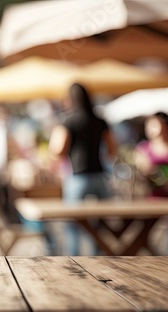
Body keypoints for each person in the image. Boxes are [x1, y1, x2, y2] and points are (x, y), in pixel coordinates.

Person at [48, 83, 117, 256]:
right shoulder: (100, 120)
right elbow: (112, 149)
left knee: (73, 224)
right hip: (100, 177)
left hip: (77, 177)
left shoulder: (68, 120)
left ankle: (74, 260)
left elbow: (58, 150)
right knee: (100, 224)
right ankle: (98, 258)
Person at [134, 112, 168, 201]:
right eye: (149, 126)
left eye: (155, 125)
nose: (151, 130)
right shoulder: (142, 150)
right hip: (153, 200)